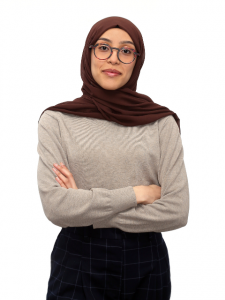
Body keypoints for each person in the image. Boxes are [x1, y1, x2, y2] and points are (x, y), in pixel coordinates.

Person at [37, 16, 189, 300]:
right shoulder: (56, 120)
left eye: (126, 50)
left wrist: (85, 206)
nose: (114, 59)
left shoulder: (161, 122)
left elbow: (177, 211)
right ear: (89, 52)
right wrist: (138, 193)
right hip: (78, 258)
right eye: (104, 47)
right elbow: (56, 208)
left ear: (137, 60)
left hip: (146, 261)